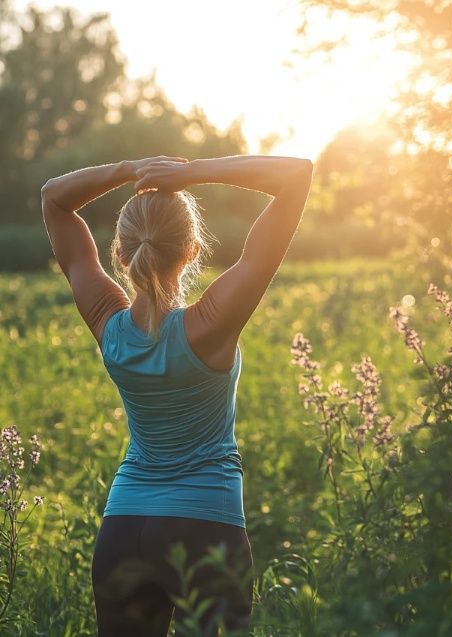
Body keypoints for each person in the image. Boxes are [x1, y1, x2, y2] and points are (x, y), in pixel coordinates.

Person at [41, 153, 313, 636]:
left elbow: (54, 200)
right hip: (206, 527)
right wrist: (191, 173)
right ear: (191, 251)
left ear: (120, 253)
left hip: (124, 529)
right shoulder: (210, 325)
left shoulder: (111, 327)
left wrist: (127, 168)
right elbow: (296, 174)